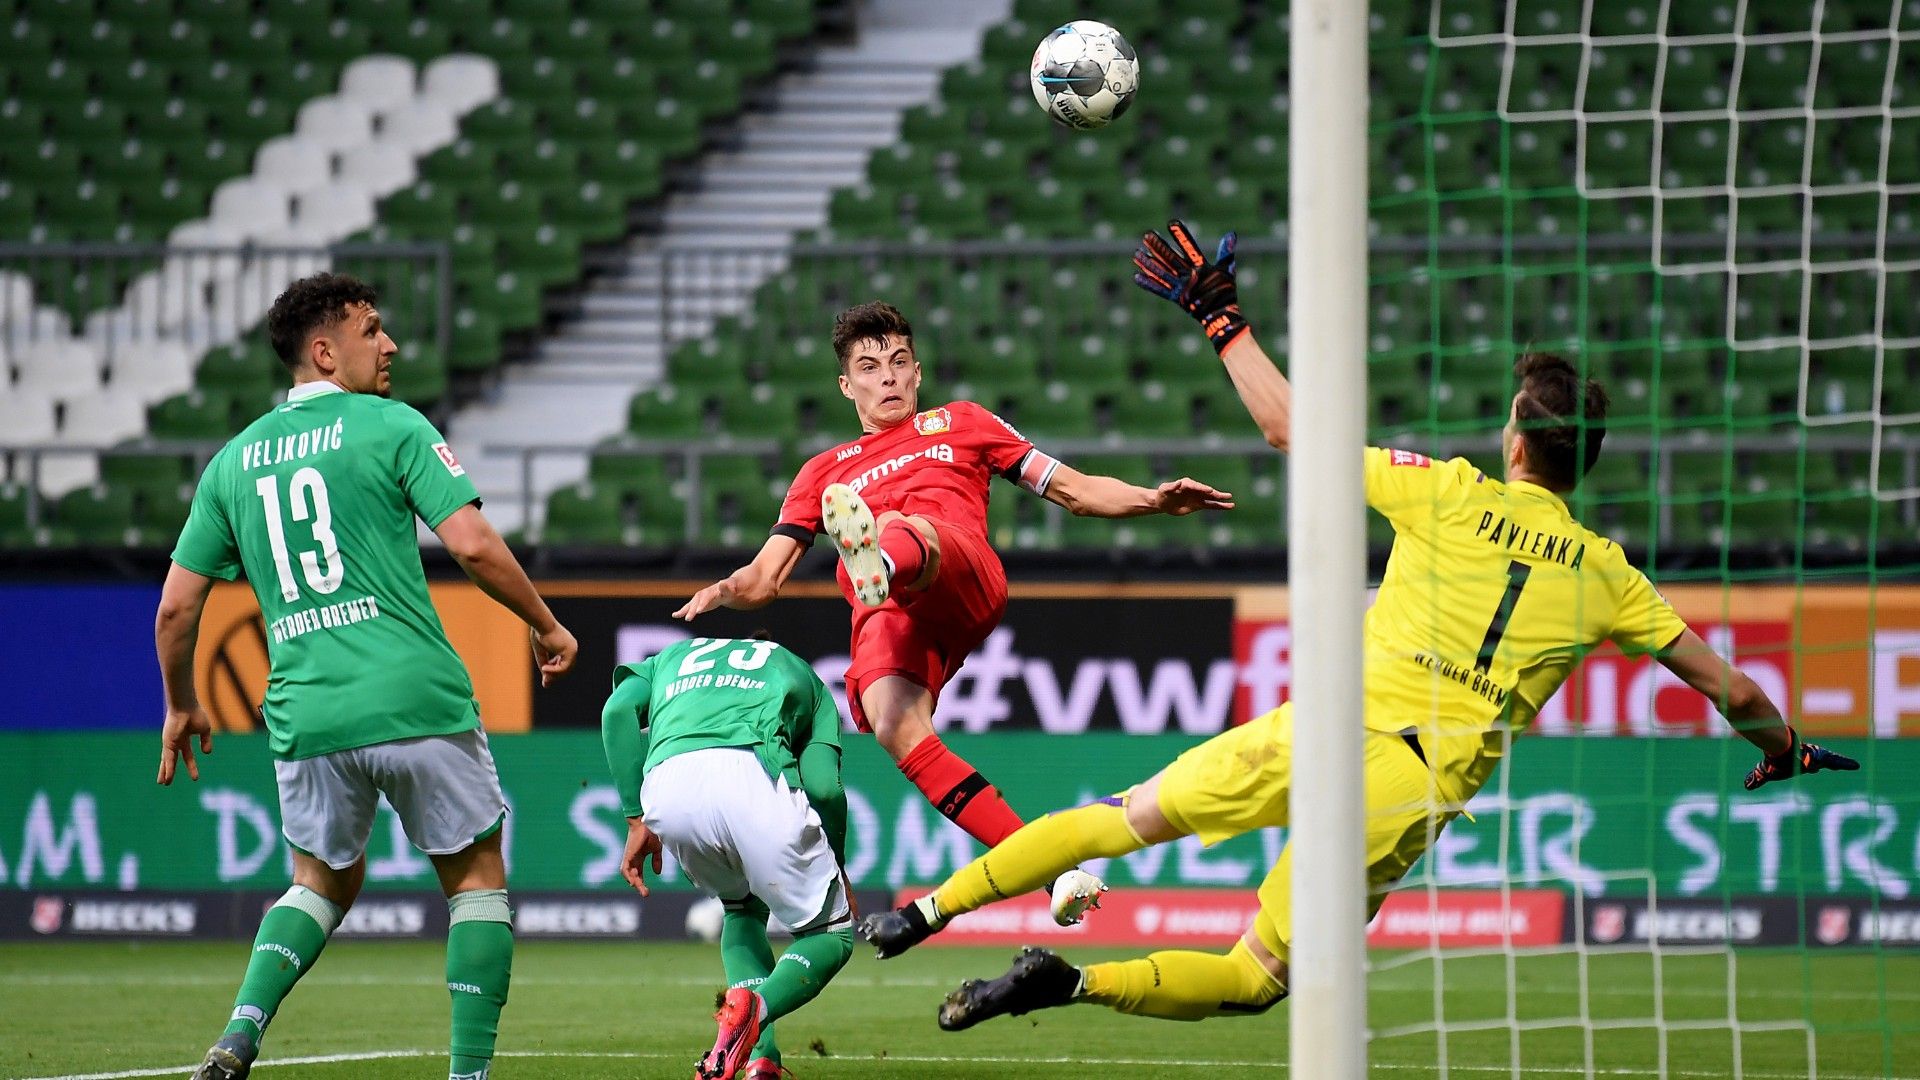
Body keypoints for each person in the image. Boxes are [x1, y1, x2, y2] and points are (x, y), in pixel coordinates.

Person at [855, 221, 1860, 1031]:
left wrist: (1222, 322)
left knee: (1121, 820)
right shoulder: (1609, 575)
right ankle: (1068, 984)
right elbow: (1733, 690)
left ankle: (929, 910)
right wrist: (1787, 747)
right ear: (1581, 463)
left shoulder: (1447, 491)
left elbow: (1292, 431)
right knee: (1255, 979)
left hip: (1323, 725)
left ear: (1513, 438)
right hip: (1408, 781)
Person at [673, 300, 1234, 923]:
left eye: (899, 363)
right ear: (846, 384)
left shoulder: (962, 423)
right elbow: (764, 577)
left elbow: (1072, 489)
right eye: (869, 366)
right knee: (893, 725)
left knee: (896, 524)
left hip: (956, 567)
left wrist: (1152, 500)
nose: (887, 377)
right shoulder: (821, 472)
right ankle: (1055, 876)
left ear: (917, 373)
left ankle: (881, 558)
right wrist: (729, 589)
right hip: (888, 612)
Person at [156, 272, 579, 1080]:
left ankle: (239, 1034)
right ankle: (467, 1075)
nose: (390, 345)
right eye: (372, 330)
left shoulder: (231, 463)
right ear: (324, 350)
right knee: (476, 883)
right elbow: (476, 546)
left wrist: (182, 703)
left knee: (318, 884)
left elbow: (177, 611)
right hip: (414, 697)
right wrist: (545, 623)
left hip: (307, 715)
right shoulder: (391, 426)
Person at [603, 634, 852, 1080]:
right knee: (832, 934)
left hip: (668, 787)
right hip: (752, 774)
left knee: (741, 910)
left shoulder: (673, 658)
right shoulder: (798, 671)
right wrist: (838, 859)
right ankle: (756, 1011)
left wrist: (636, 818)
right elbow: (824, 787)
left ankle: (761, 1061)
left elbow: (617, 712)